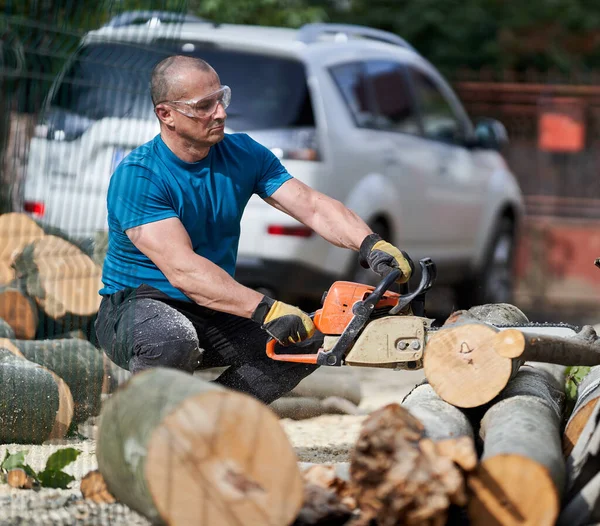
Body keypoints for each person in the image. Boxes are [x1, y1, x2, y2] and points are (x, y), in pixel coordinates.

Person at [95, 55, 413, 404]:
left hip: (208, 304)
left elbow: (310, 204)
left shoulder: (243, 153)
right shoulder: (139, 176)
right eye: (203, 106)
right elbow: (184, 271)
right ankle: (141, 431)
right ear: (166, 114)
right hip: (135, 307)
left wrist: (370, 244)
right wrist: (267, 308)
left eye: (221, 99)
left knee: (300, 343)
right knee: (173, 340)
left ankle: (212, 418)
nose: (220, 113)